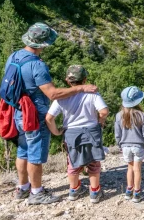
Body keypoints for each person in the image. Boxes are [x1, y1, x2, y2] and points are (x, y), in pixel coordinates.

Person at [6, 23, 97, 205]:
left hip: (18, 112)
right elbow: (52, 94)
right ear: (43, 44)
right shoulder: (37, 65)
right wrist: (81, 88)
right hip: (34, 115)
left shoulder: (14, 57)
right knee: (35, 155)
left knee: (22, 151)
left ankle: (23, 188)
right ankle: (36, 193)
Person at [45, 65, 109, 204]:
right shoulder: (92, 94)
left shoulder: (61, 98)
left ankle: (74, 190)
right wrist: (100, 122)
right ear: (85, 79)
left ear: (68, 81)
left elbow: (49, 118)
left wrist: (56, 131)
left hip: (72, 133)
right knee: (93, 163)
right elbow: (104, 111)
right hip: (91, 131)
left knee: (73, 163)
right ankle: (95, 191)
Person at [114, 86, 144, 203]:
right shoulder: (142, 115)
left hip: (125, 146)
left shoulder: (119, 115)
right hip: (138, 146)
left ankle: (129, 190)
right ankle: (137, 193)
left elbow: (117, 134)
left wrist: (119, 145)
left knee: (129, 168)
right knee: (137, 169)